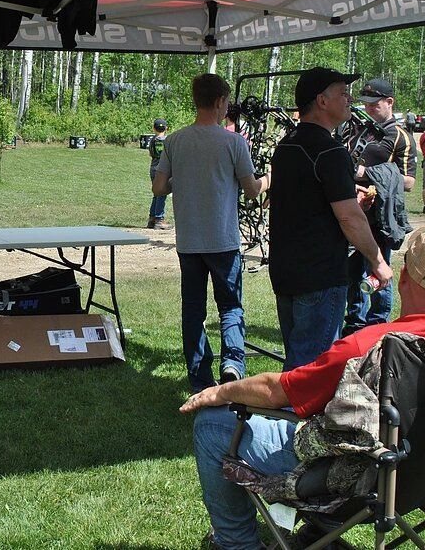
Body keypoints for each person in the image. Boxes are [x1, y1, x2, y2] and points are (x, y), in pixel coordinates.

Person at [184, 226, 425, 550]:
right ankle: (316, 539)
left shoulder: (371, 346)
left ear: (403, 277)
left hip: (348, 483)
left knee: (213, 425)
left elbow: (279, 390)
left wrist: (222, 392)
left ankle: (236, 544)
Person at [268, 68, 392, 369]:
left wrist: (348, 199)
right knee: (310, 371)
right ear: (322, 101)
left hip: (287, 271)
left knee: (298, 360)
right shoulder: (330, 151)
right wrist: (378, 262)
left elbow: (303, 202)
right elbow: (349, 219)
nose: (350, 98)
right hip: (319, 275)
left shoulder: (285, 147)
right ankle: (288, 418)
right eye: (342, 93)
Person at [153, 75, 267, 390]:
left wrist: (184, 181)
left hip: (189, 241)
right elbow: (251, 190)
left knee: (193, 310)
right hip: (223, 241)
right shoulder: (234, 142)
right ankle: (232, 363)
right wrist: (270, 179)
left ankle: (200, 378)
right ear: (219, 102)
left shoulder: (175, 140)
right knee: (230, 305)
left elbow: (159, 187)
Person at [344, 77, 417, 336]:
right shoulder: (355, 128)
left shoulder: (400, 136)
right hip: (351, 209)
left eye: (375, 104)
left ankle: (377, 325)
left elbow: (408, 181)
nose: (369, 108)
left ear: (389, 102)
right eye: (366, 103)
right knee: (352, 273)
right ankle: (354, 323)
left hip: (380, 215)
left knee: (379, 270)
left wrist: (368, 173)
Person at [146, 119, 170, 230]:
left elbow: (151, 153)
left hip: (153, 168)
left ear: (153, 128)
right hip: (163, 170)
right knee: (162, 194)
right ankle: (159, 219)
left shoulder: (152, 140)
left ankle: (152, 219)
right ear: (166, 128)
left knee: (156, 193)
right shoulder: (168, 141)